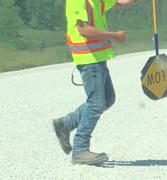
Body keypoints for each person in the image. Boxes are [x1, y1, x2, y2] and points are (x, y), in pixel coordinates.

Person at [53, 0, 138, 165]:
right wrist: (115, 35)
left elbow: (119, 3)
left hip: (98, 57)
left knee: (107, 99)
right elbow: (83, 30)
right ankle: (80, 150)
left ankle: (66, 123)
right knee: (96, 103)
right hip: (88, 57)